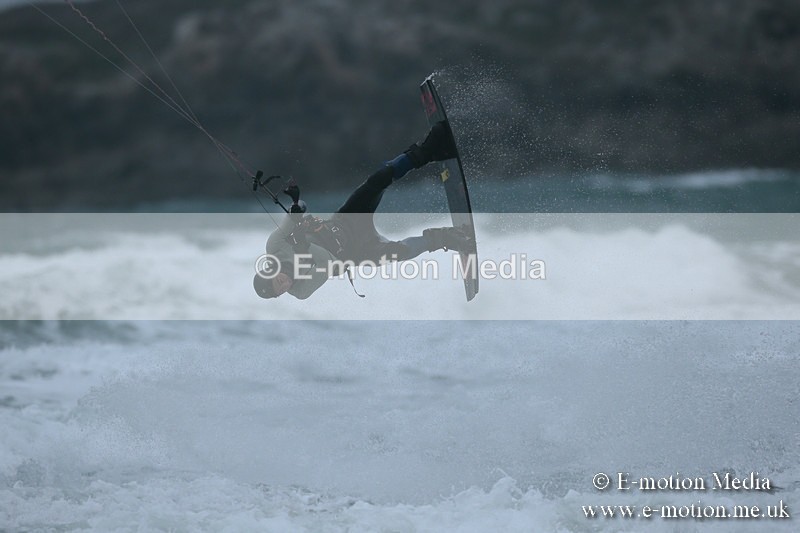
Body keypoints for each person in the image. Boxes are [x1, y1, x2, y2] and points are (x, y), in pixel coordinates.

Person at [253, 121, 474, 300]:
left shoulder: (275, 246)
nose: (283, 286)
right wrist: (304, 245)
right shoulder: (300, 291)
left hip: (345, 222)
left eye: (277, 282)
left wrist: (296, 209)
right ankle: (446, 238)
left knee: (377, 181)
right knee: (399, 252)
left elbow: (297, 212)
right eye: (279, 292)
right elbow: (329, 264)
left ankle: (429, 150)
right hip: (356, 253)